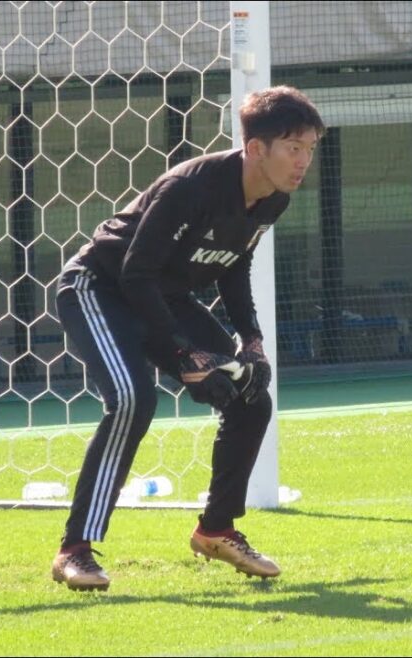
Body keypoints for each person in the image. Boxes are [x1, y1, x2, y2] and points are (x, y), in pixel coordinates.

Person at [49, 86, 324, 592]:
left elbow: (234, 265)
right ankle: (75, 550)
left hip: (165, 298)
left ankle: (215, 529)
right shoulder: (191, 187)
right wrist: (182, 352)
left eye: (310, 148)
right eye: (293, 147)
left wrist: (253, 341)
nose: (303, 160)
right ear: (256, 148)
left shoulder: (274, 199)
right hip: (100, 288)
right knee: (133, 399)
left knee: (250, 397)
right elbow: (134, 273)